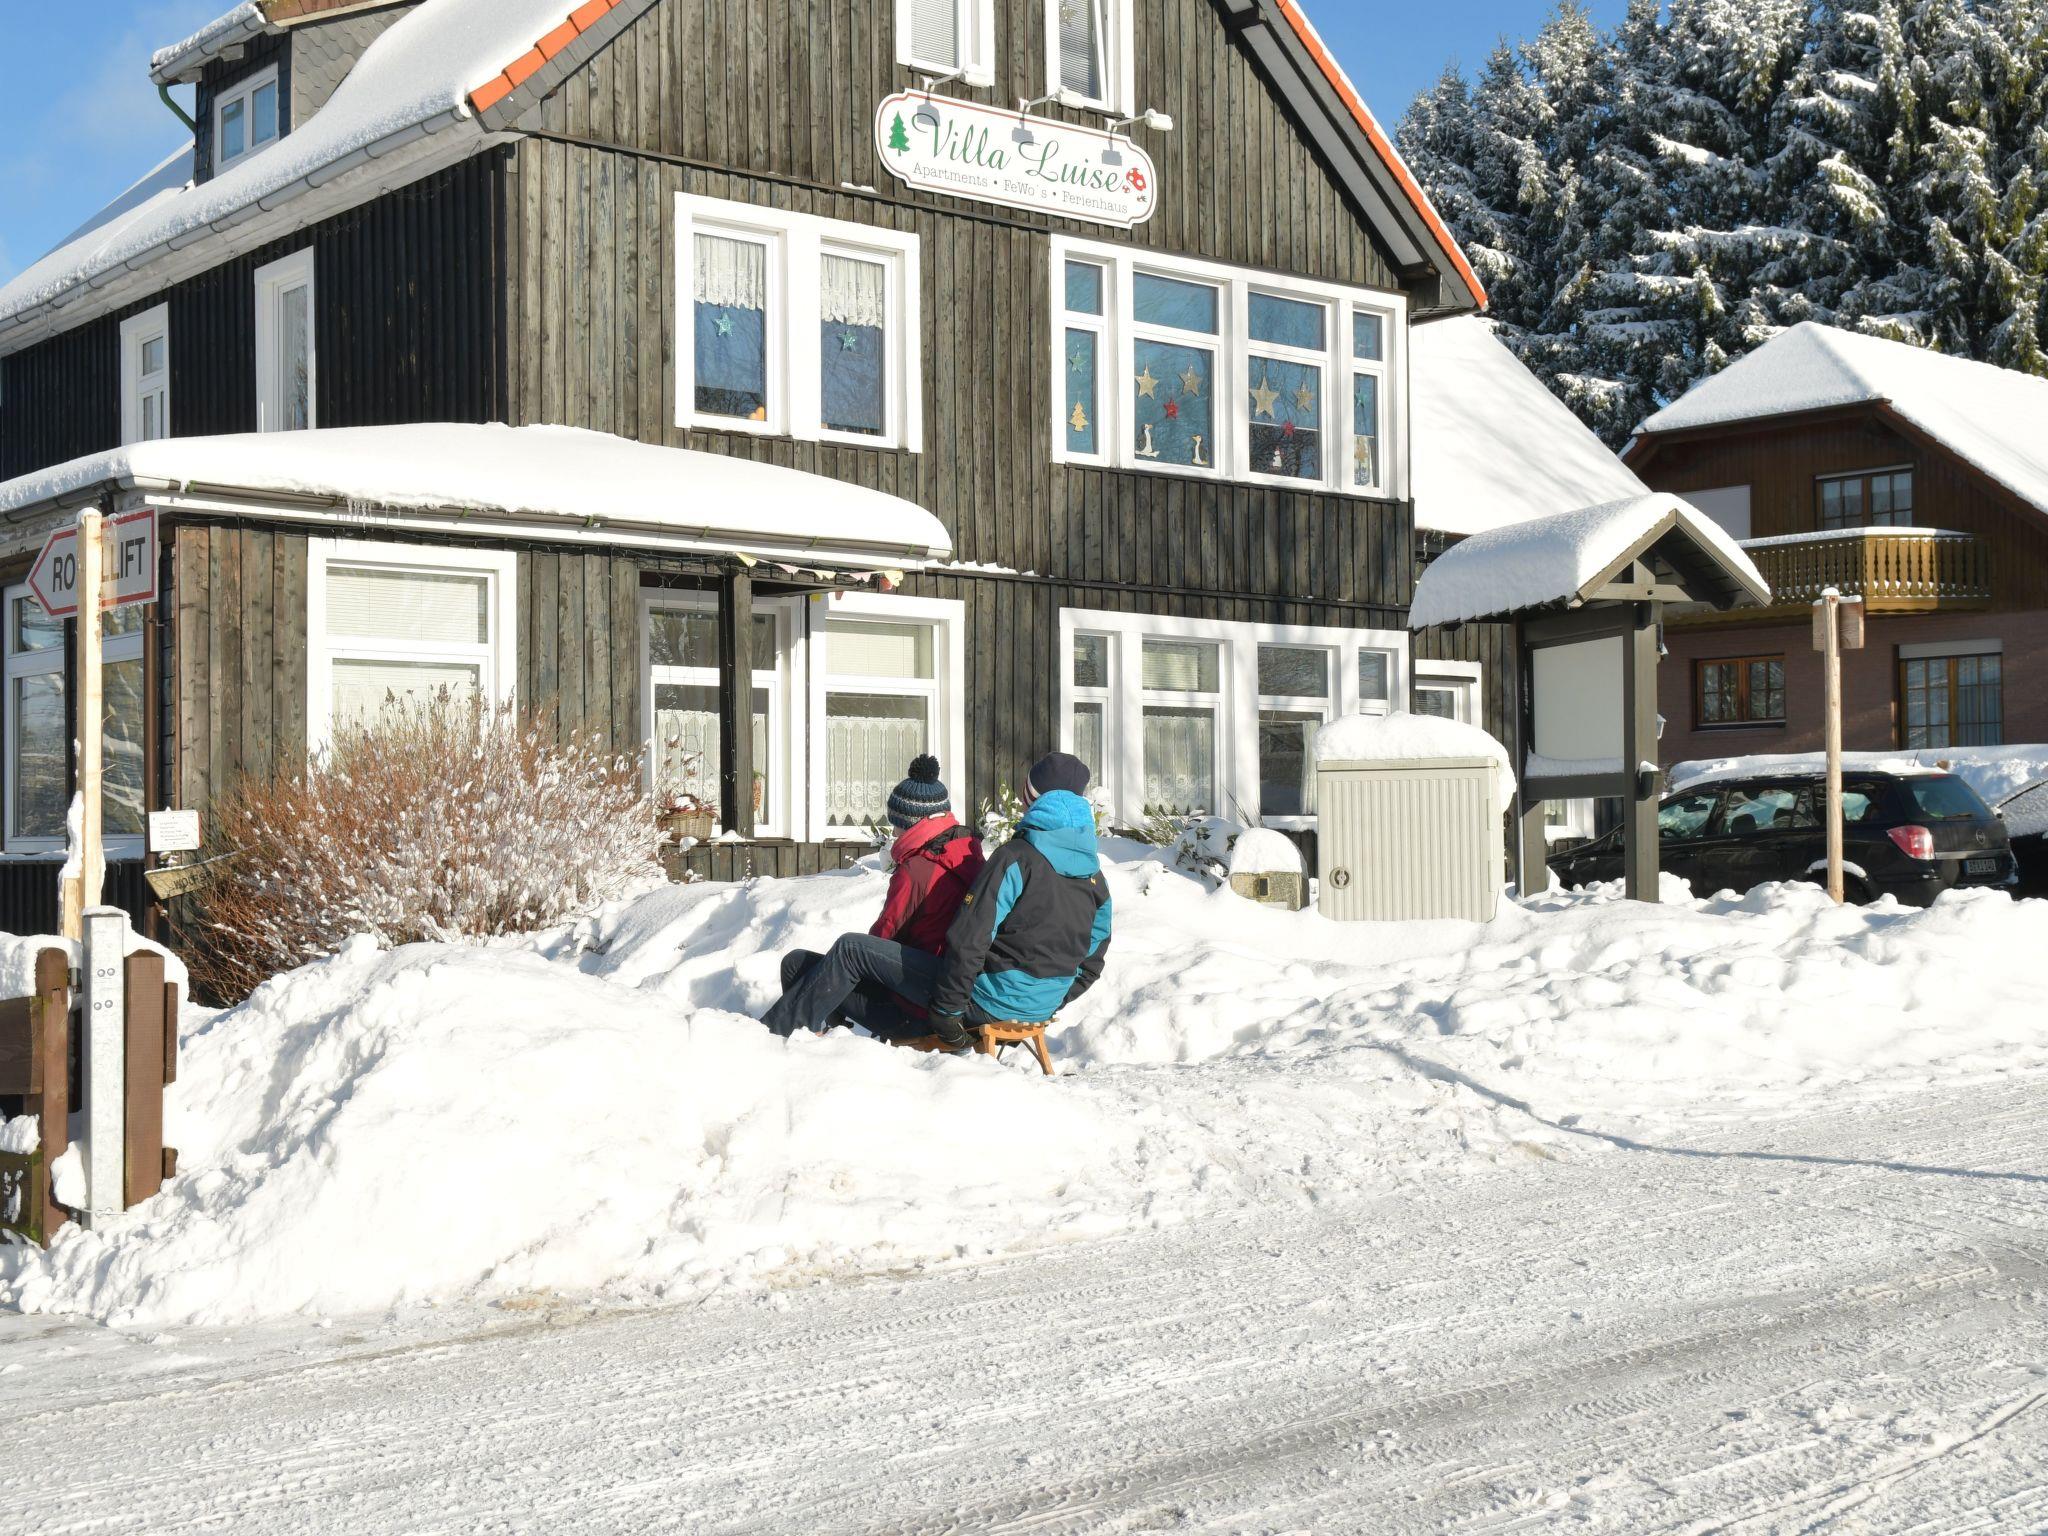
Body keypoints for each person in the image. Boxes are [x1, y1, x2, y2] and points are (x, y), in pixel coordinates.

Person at [760, 752, 1113, 1048]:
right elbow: (1093, 959)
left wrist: (947, 1012)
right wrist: (1049, 999)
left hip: (980, 1002)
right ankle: (808, 1039)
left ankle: (763, 1043)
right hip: (1035, 1009)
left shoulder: (1016, 858)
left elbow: (970, 937)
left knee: (850, 949)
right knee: (811, 961)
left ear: (1031, 799)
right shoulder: (1095, 877)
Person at [761, 756, 982, 1041]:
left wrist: (837, 976)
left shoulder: (919, 870)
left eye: (897, 824)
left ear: (912, 824)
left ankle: (769, 1037)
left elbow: (883, 936)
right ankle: (811, 1039)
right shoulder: (964, 853)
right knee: (795, 962)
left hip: (911, 1010)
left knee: (836, 957)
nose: (894, 832)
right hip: (939, 989)